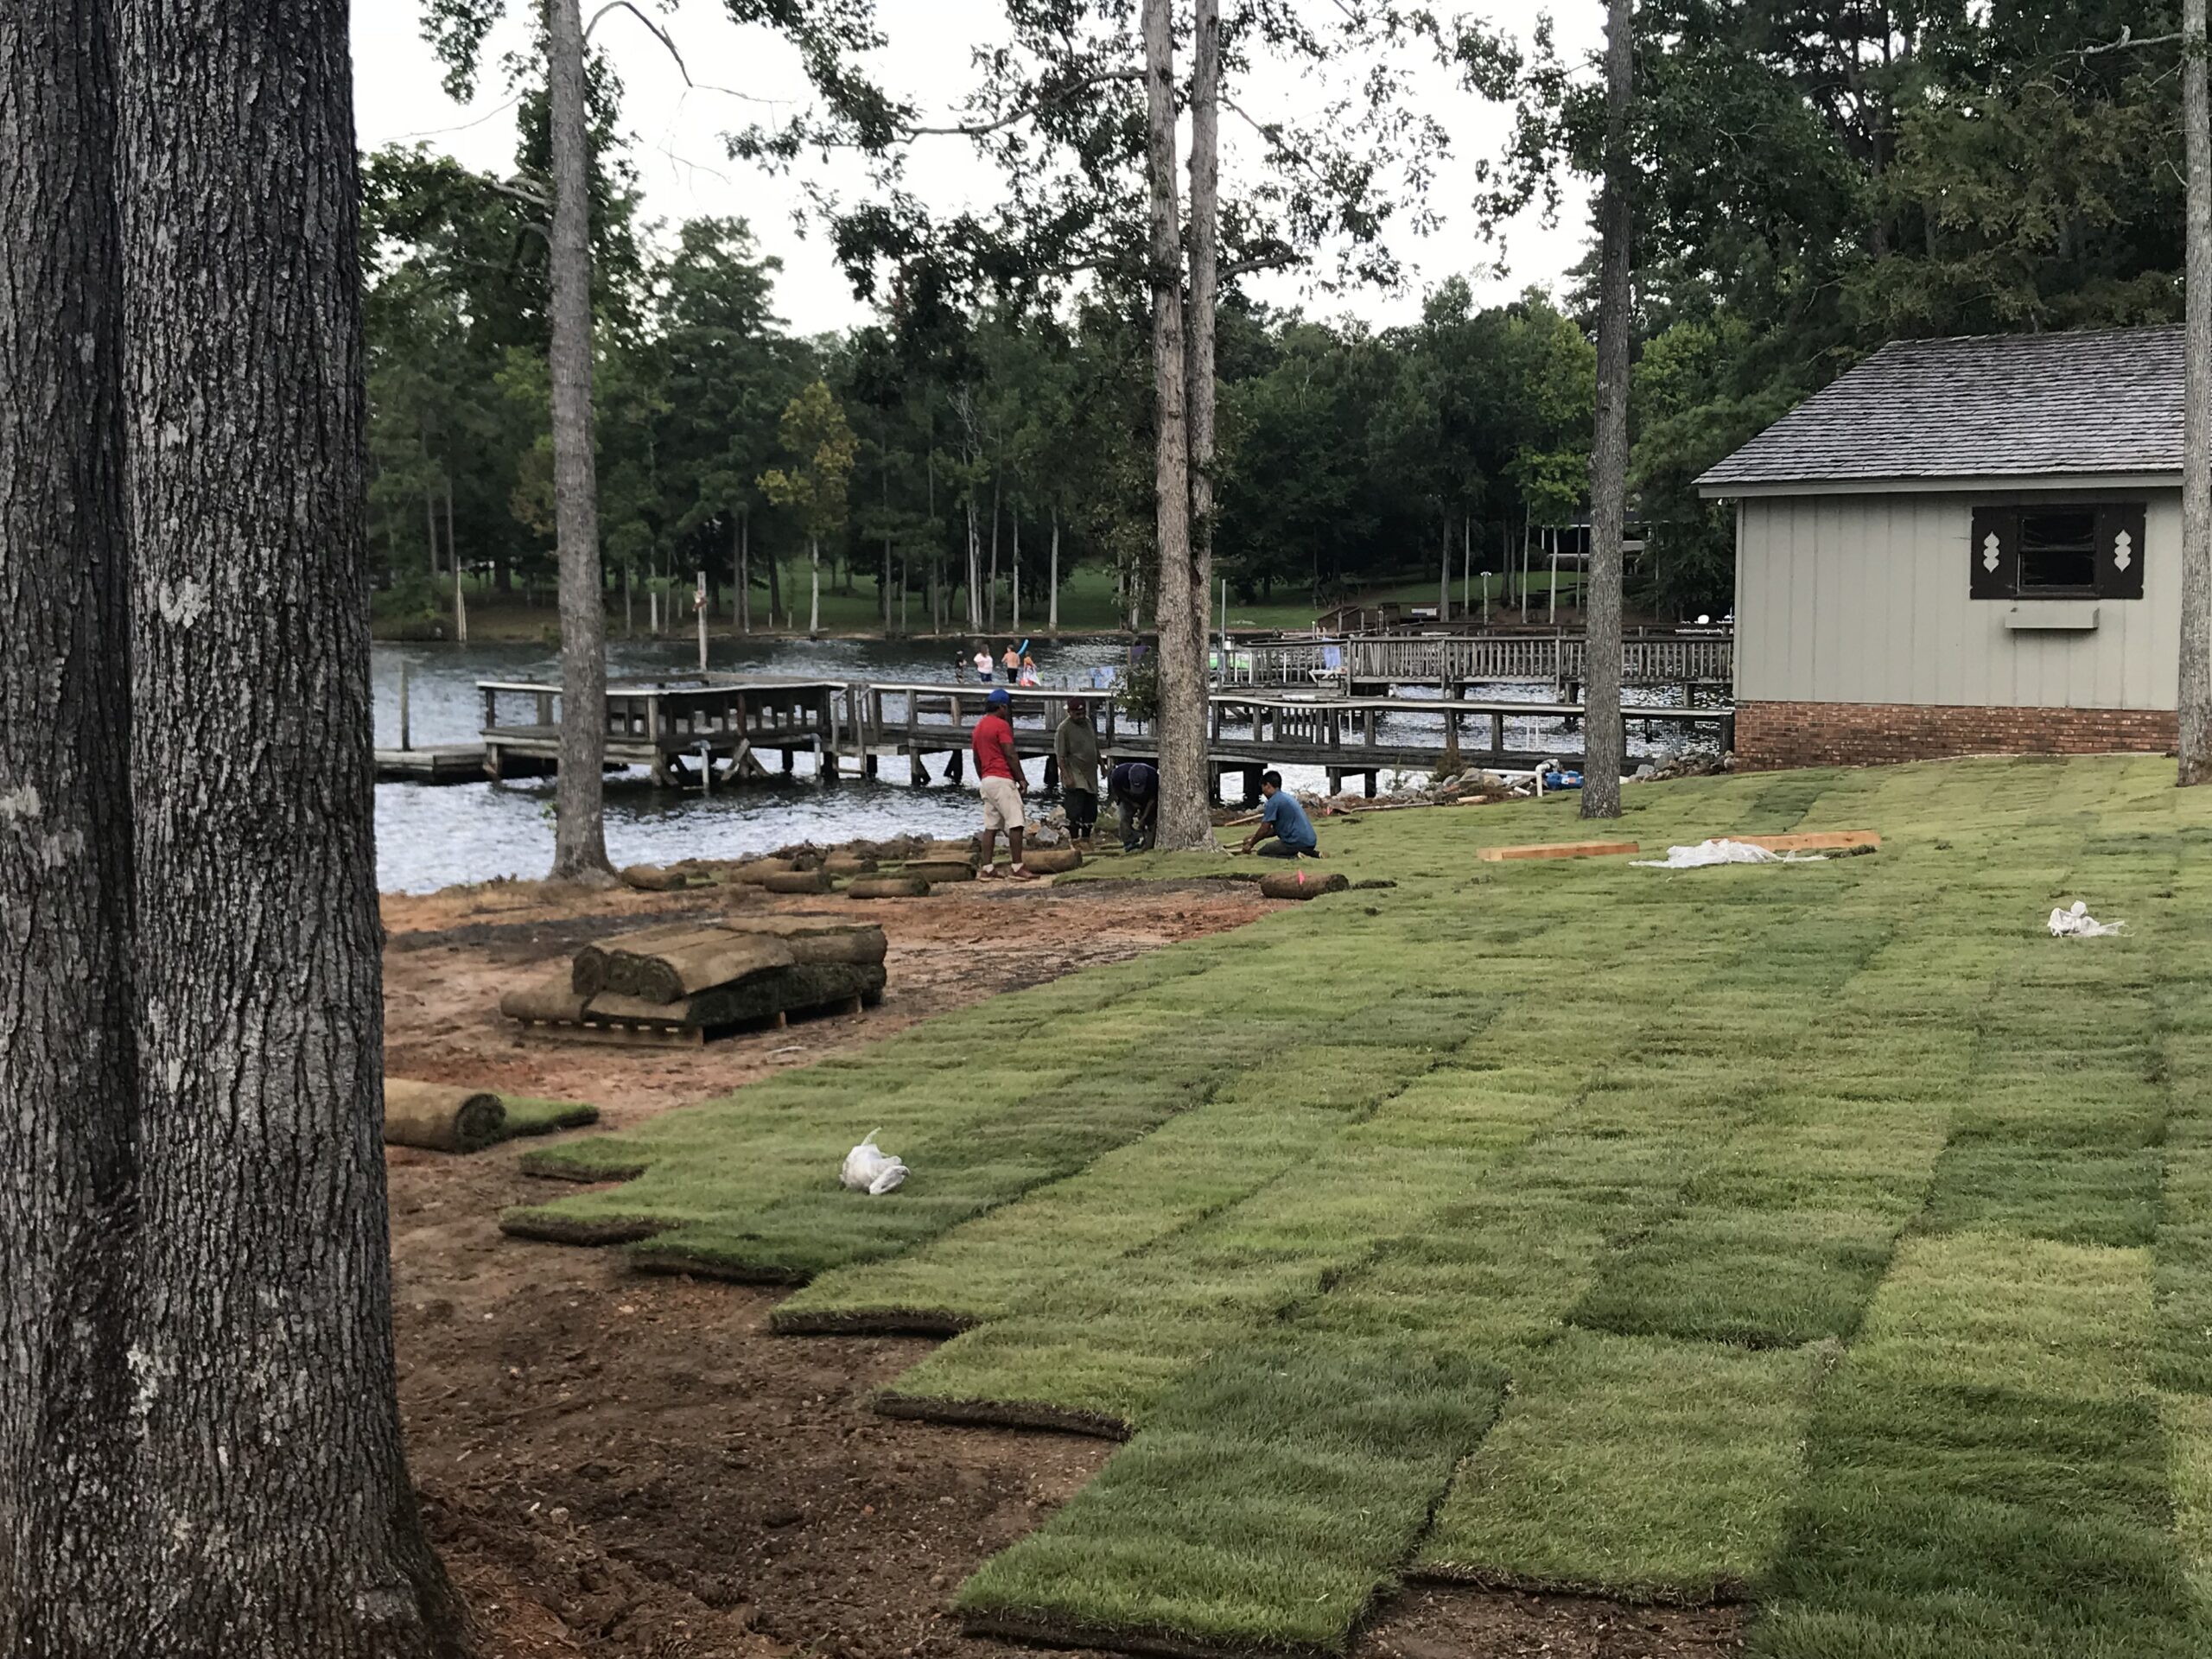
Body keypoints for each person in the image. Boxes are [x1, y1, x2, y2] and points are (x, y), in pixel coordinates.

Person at [971, 688, 1032, 879]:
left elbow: (976, 758)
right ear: (1002, 707)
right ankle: (1017, 867)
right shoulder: (1001, 725)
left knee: (991, 826)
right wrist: (1021, 778)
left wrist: (983, 777)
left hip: (987, 779)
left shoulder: (979, 727)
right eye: (1006, 708)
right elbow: (1010, 753)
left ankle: (987, 868)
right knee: (1016, 822)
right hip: (1002, 778)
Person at [1241, 770, 1319, 859]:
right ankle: (1313, 854)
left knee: (1263, 852)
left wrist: (1251, 844)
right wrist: (1254, 837)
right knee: (1278, 847)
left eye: (1263, 788)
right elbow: (1275, 830)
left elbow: (1264, 828)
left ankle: (1294, 857)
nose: (1263, 792)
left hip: (1295, 842)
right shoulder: (1288, 798)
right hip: (1310, 842)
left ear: (1268, 786)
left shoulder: (1273, 802)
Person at [1054, 701, 1103, 842]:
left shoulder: (1088, 722)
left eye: (1083, 713)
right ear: (1069, 712)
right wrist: (1066, 776)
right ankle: (1074, 839)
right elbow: (1060, 756)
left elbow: (1094, 746)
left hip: (1090, 773)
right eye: (1077, 714)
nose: (1081, 716)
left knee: (1091, 809)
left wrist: (1102, 765)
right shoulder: (1063, 729)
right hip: (1075, 772)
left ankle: (1086, 839)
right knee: (1075, 808)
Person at [1108, 756, 1159, 853]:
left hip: (1146, 799)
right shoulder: (1118, 775)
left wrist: (1143, 817)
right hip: (1127, 798)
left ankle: (1148, 843)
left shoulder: (1153, 777)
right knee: (1124, 818)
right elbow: (1117, 791)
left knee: (1150, 820)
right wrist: (1131, 803)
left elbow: (1153, 799)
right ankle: (1129, 843)